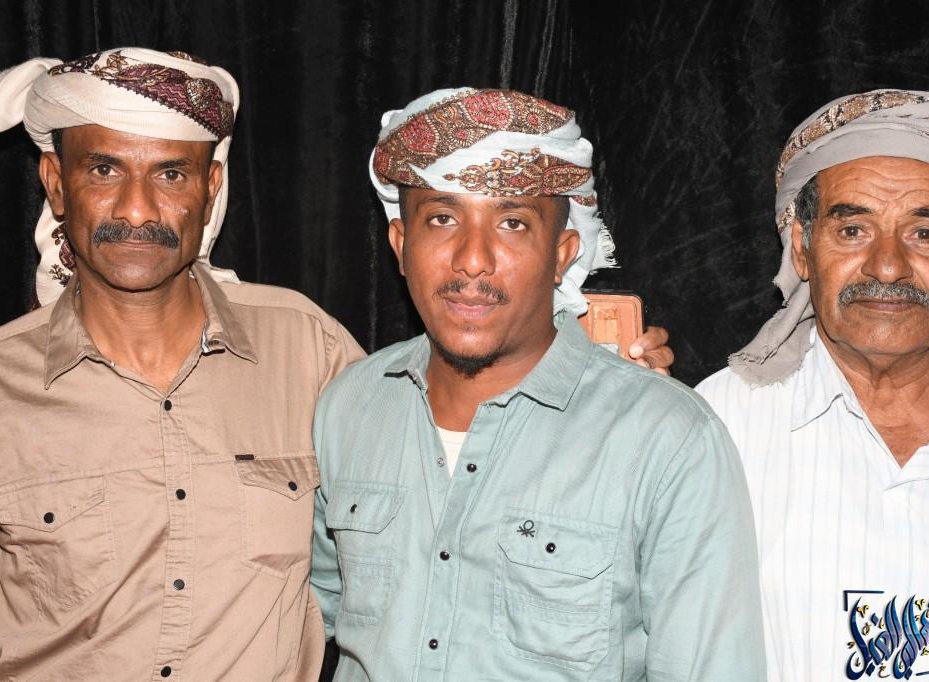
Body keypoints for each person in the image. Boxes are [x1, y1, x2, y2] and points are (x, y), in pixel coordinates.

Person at [0, 48, 365, 680]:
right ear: (55, 183)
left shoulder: (309, 350)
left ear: (210, 189)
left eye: (171, 175)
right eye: (105, 170)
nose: (137, 210)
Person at [310, 87, 765, 681]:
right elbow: (304, 621)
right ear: (401, 245)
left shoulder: (667, 439)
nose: (473, 259)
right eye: (443, 218)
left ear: (562, 254)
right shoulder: (349, 408)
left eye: (512, 223)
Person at [696, 89, 929, 681]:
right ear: (803, 250)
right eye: (853, 230)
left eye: (925, 234)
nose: (888, 267)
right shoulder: (715, 426)